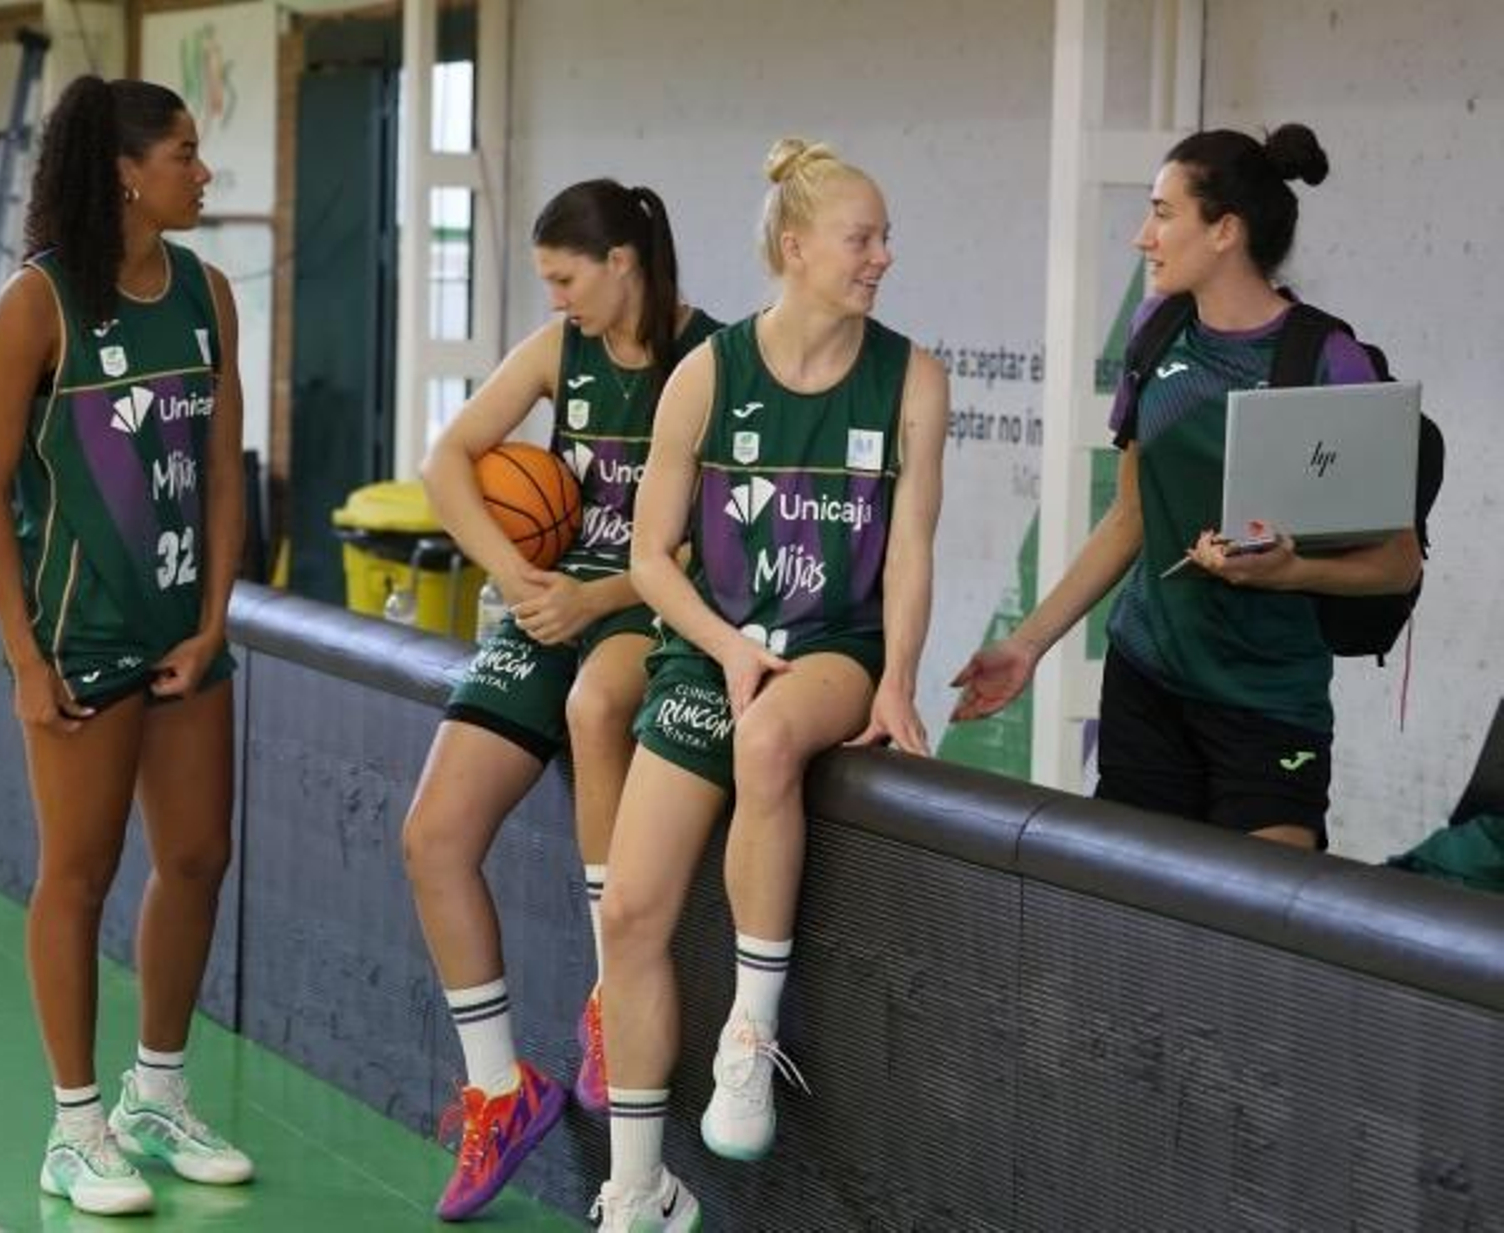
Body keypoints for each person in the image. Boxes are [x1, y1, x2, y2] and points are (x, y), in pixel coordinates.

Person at [590, 138, 948, 1230]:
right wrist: (724, 645)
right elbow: (649, 556)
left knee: (764, 745)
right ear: (795, 249)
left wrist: (896, 684)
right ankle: (638, 1187)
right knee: (632, 916)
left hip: (833, 647)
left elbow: (911, 552)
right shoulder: (708, 371)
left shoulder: (912, 377)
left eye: (884, 237)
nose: (883, 255)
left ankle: (750, 1033)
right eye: (862, 238)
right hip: (712, 645)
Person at [952, 123, 1423, 851]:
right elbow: (1129, 515)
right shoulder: (1155, 329)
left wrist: (1290, 571)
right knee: (1133, 919)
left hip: (1269, 702)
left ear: (1225, 230)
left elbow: (1398, 563)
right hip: (1147, 679)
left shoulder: (1330, 358)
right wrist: (1026, 645)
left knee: (1257, 929)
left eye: (1164, 213)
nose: (1144, 235)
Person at [401, 179, 720, 1221]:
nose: (556, 301)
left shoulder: (712, 362)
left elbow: (708, 538)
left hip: (649, 607)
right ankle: (500, 1086)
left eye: (565, 278)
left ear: (623, 260)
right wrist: (520, 575)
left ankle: (604, 999)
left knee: (596, 708)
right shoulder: (556, 356)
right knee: (433, 835)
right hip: (557, 605)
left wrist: (598, 592)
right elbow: (444, 461)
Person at [0, 76, 252, 1216]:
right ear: (128, 171)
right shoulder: (37, 305)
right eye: (185, 152)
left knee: (197, 858)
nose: (201, 169)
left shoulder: (209, 295)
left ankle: (155, 1096)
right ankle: (74, 1128)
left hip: (185, 630)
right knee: (76, 877)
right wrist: (25, 659)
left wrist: (218, 614)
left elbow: (224, 469)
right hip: (78, 632)